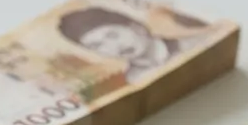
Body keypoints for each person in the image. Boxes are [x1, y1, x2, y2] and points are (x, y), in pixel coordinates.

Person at [57, 6, 199, 83]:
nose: (114, 47)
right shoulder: (135, 79)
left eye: (113, 35)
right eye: (97, 46)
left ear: (136, 27)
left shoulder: (194, 42)